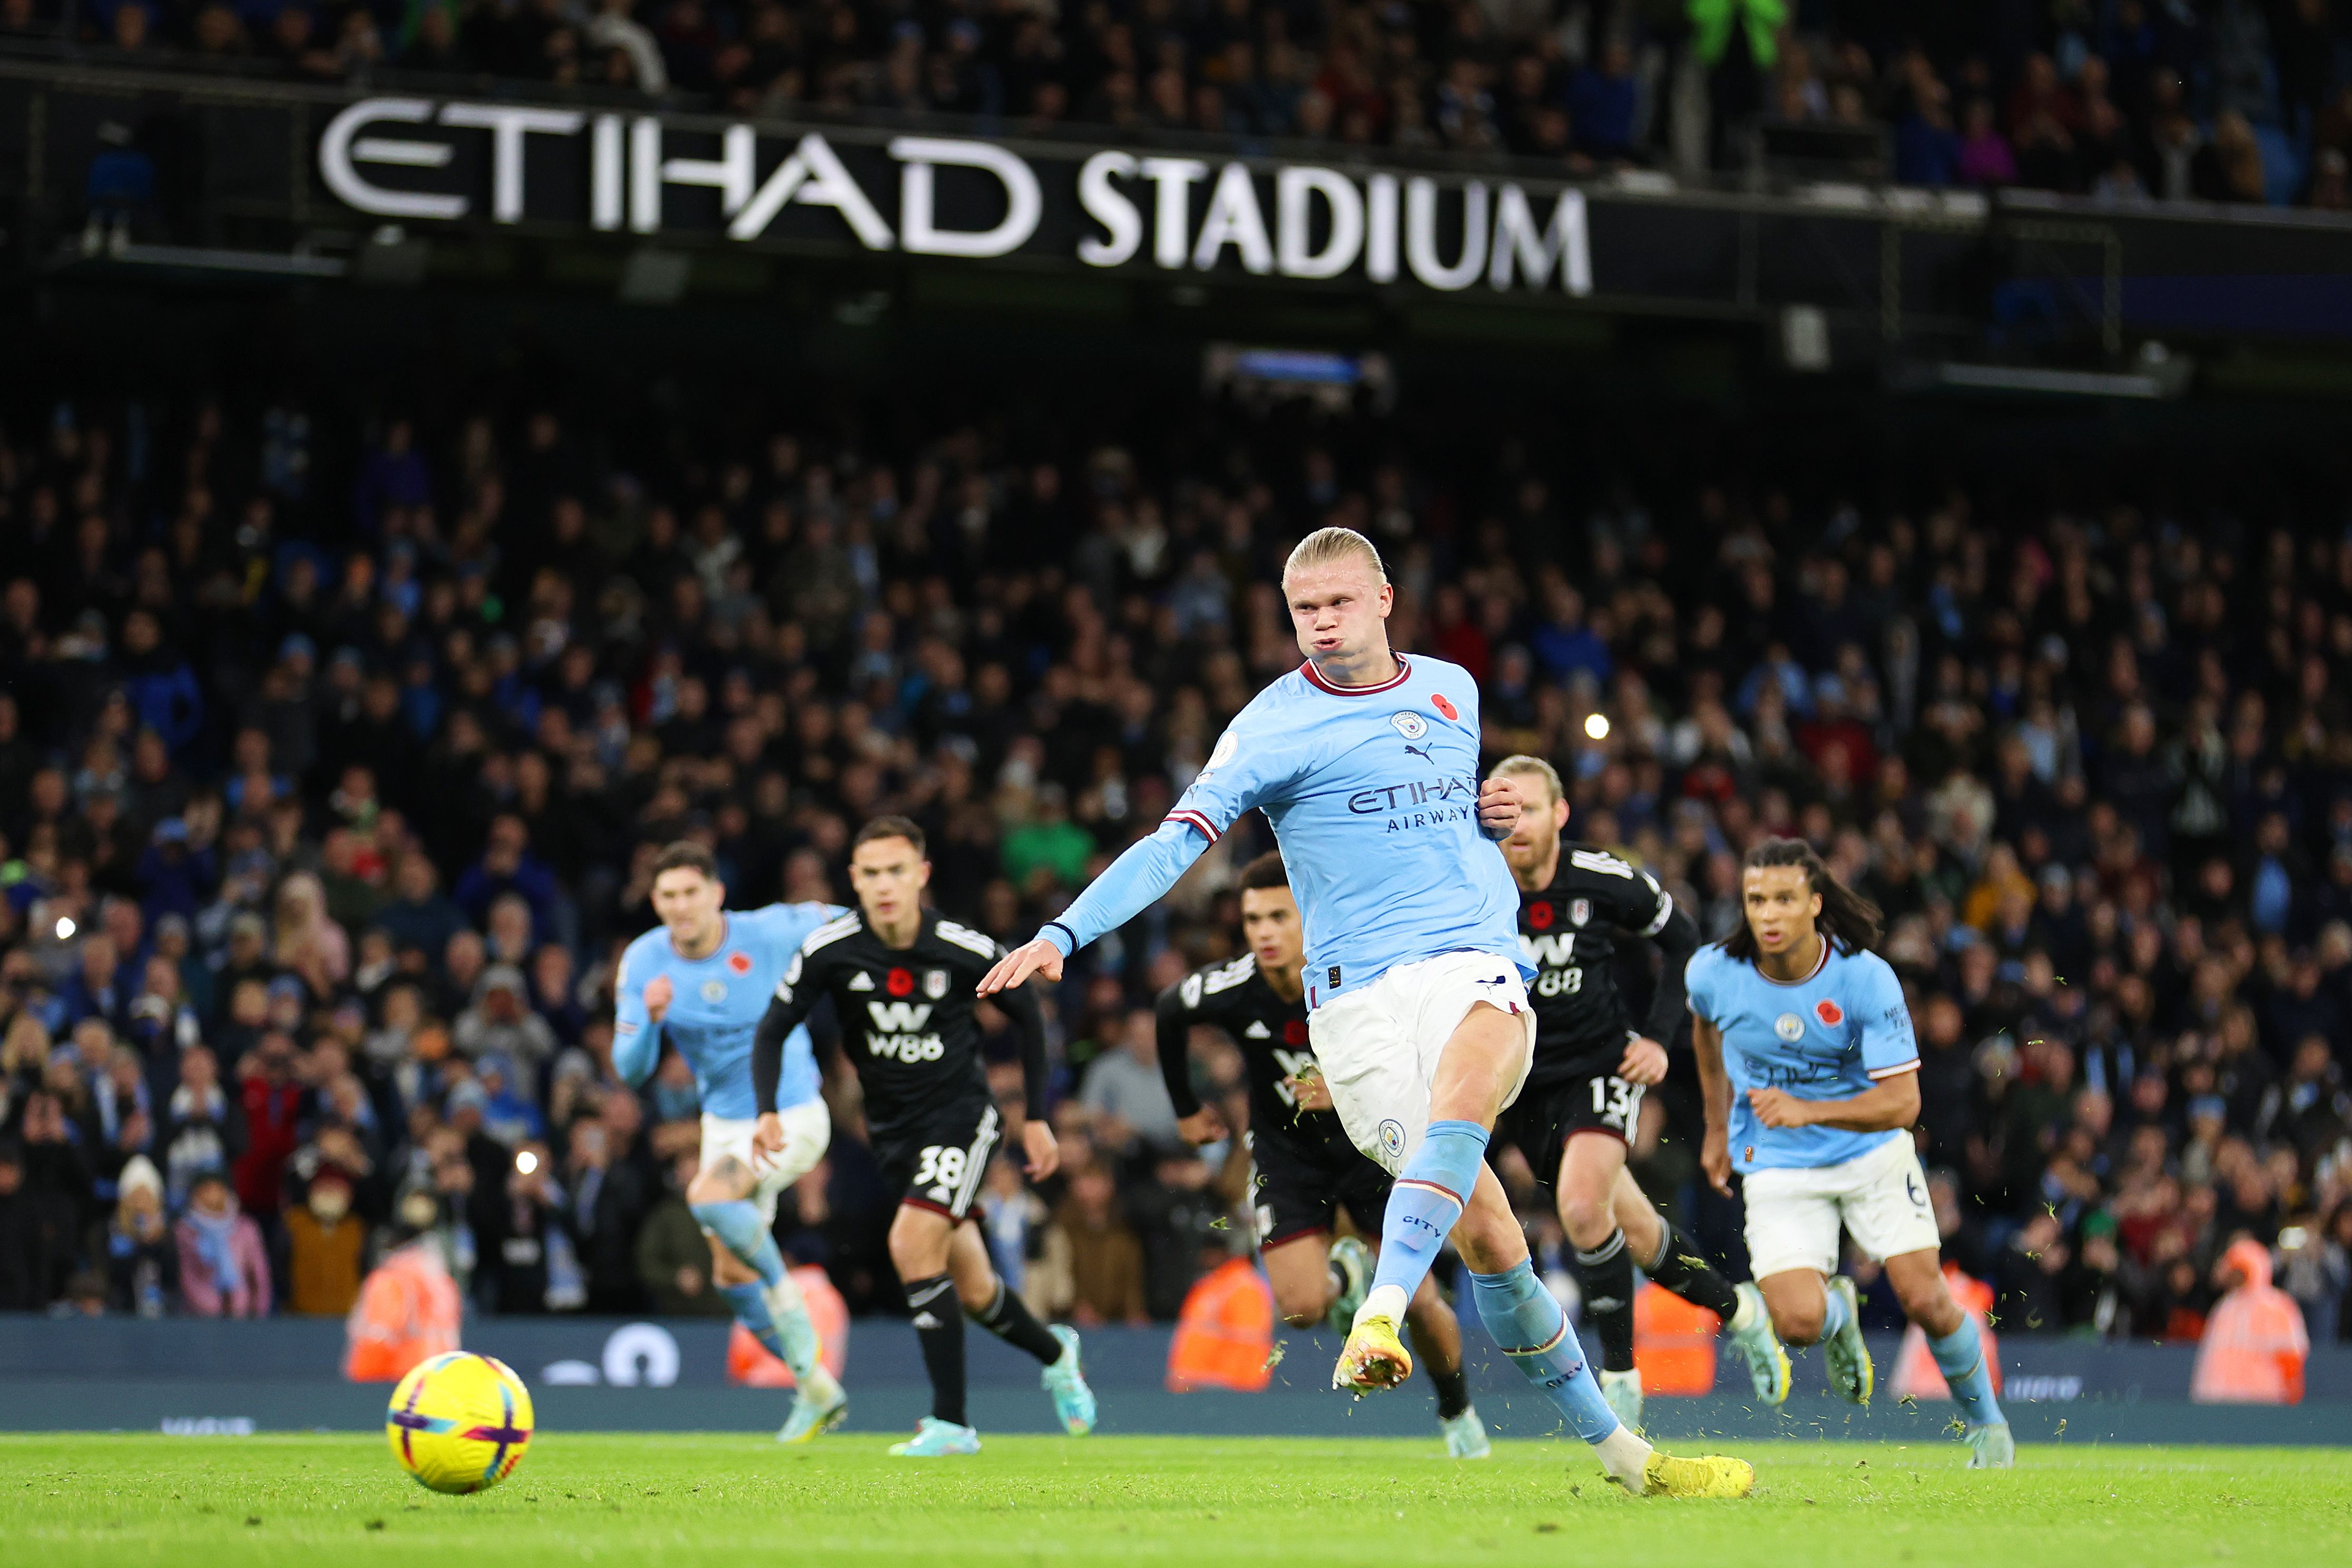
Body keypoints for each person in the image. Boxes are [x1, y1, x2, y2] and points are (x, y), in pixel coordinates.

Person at [979, 527, 1750, 1497]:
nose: (1321, 624)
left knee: (1468, 1088)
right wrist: (1063, 934)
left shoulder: (1450, 688)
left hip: (1472, 962)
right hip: (1351, 1006)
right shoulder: (1269, 726)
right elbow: (1172, 842)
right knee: (1494, 1245)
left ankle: (1379, 1308)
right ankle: (1627, 1460)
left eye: (1338, 603)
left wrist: (1475, 817)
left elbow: (1425, 804)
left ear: (1384, 598)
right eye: (1303, 610)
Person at [753, 817, 1096, 1458]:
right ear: (854, 879)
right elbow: (774, 1028)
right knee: (973, 1289)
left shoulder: (959, 945)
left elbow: (1026, 1011)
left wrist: (1037, 1116)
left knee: (911, 1243)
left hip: (961, 1119)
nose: (885, 886)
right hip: (893, 1136)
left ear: (921, 875)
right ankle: (1057, 1353)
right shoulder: (830, 948)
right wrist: (769, 1108)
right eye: (872, 874)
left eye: (897, 871)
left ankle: (951, 1423)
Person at [1689, 837, 2013, 1468]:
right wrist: (1713, 1128)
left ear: (1814, 903)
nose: (1769, 914)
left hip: (1870, 1154)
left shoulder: (1864, 976)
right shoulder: (1712, 972)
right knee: (1797, 1325)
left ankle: (1987, 1424)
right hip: (1778, 1160)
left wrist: (1809, 1109)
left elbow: (1903, 1105)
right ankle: (1840, 1314)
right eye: (1757, 900)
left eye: (1784, 899)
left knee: (1926, 1299)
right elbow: (1704, 1029)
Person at [1156, 850, 1492, 1459]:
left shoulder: (1368, 976)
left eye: (1280, 917)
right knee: (1302, 1310)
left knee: (1418, 1304)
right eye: (1254, 919)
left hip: (1373, 1150)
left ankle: (1456, 1407)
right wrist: (1186, 1109)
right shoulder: (1236, 987)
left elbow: (1434, 1050)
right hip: (1288, 1159)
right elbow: (1169, 1010)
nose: (1264, 933)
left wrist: (1346, 1088)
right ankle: (1345, 1279)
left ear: (1310, 915)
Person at [1486, 754, 1788, 1428]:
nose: (1521, 824)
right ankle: (1742, 1312)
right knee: (1643, 1233)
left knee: (1582, 1208)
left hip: (1603, 1069)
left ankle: (1619, 1378)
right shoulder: (1473, 888)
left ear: (1560, 813)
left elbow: (1685, 945)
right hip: (1527, 1088)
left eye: (1532, 808)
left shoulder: (1601, 877)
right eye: (1508, 811)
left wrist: (1655, 1037)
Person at [613, 840, 850, 1443]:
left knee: (708, 1197)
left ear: (716, 894)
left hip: (791, 1110)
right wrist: (652, 1017)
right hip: (724, 1122)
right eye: (668, 896)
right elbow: (632, 1069)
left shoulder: (769, 931)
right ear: (656, 902)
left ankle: (791, 1312)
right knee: (727, 1275)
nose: (681, 906)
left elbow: (850, 920)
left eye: (692, 892)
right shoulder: (644, 962)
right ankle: (817, 1389)